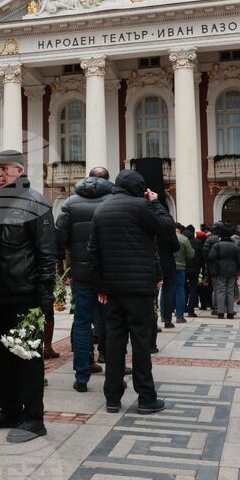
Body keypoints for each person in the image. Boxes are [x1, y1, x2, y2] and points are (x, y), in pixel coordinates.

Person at [0, 149, 56, 443]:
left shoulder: (35, 202)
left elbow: (47, 254)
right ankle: (9, 410)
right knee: (1, 358)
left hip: (26, 296)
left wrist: (45, 300)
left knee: (27, 358)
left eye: (4, 170)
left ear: (20, 171)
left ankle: (34, 418)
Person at [88, 169, 174, 415]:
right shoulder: (141, 207)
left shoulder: (101, 209)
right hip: (139, 288)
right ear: (139, 187)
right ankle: (146, 397)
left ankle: (112, 398)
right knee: (140, 341)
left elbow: (93, 251)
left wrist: (101, 286)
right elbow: (167, 229)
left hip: (113, 288)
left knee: (114, 342)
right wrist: (156, 203)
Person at [55, 166, 114, 392]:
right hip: (109, 272)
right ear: (108, 180)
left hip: (81, 272)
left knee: (82, 322)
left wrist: (74, 256)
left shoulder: (70, 203)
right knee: (111, 321)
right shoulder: (114, 201)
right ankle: (112, 368)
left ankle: (81, 375)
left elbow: (61, 237)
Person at [208, 226, 240, 319]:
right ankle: (230, 313)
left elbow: (211, 257)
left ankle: (220, 312)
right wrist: (238, 269)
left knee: (220, 291)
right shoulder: (235, 246)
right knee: (230, 291)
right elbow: (239, 260)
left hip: (220, 270)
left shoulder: (217, 245)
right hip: (232, 270)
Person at [171, 223, 195, 324]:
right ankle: (179, 316)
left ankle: (164, 315)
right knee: (180, 290)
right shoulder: (184, 239)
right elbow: (191, 254)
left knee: (166, 290)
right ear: (180, 230)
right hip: (180, 267)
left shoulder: (164, 237)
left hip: (167, 266)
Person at [184, 226, 205, 315]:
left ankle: (183, 307)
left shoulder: (183, 241)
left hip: (183, 268)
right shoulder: (198, 242)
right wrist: (202, 267)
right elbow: (202, 256)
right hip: (195, 269)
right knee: (193, 288)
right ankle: (191, 310)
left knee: (182, 288)